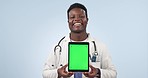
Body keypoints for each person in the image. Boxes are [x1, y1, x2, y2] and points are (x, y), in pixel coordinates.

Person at [42, 3, 117, 78]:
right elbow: (45, 73)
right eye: (72, 17)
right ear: (68, 21)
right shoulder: (58, 47)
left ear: (87, 20)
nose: (77, 19)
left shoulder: (100, 46)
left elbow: (113, 73)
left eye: (81, 16)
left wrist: (98, 72)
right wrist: (58, 72)